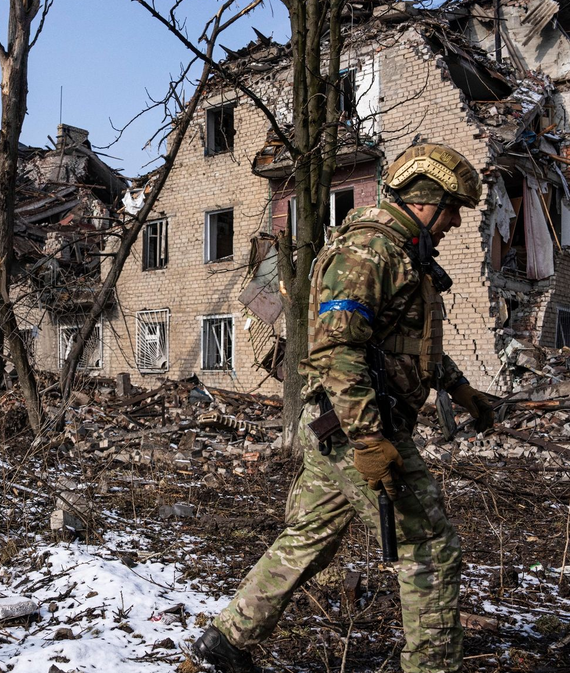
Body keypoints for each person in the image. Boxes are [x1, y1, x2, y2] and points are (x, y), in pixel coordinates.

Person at [191, 143, 497, 673]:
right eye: (451, 209)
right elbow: (338, 351)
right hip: (358, 426)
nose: (454, 222)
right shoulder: (369, 254)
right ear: (425, 200)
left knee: (309, 538)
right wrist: (370, 441)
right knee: (428, 544)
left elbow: (408, 346)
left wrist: (463, 390)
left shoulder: (404, 256)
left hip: (340, 428)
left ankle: (227, 640)